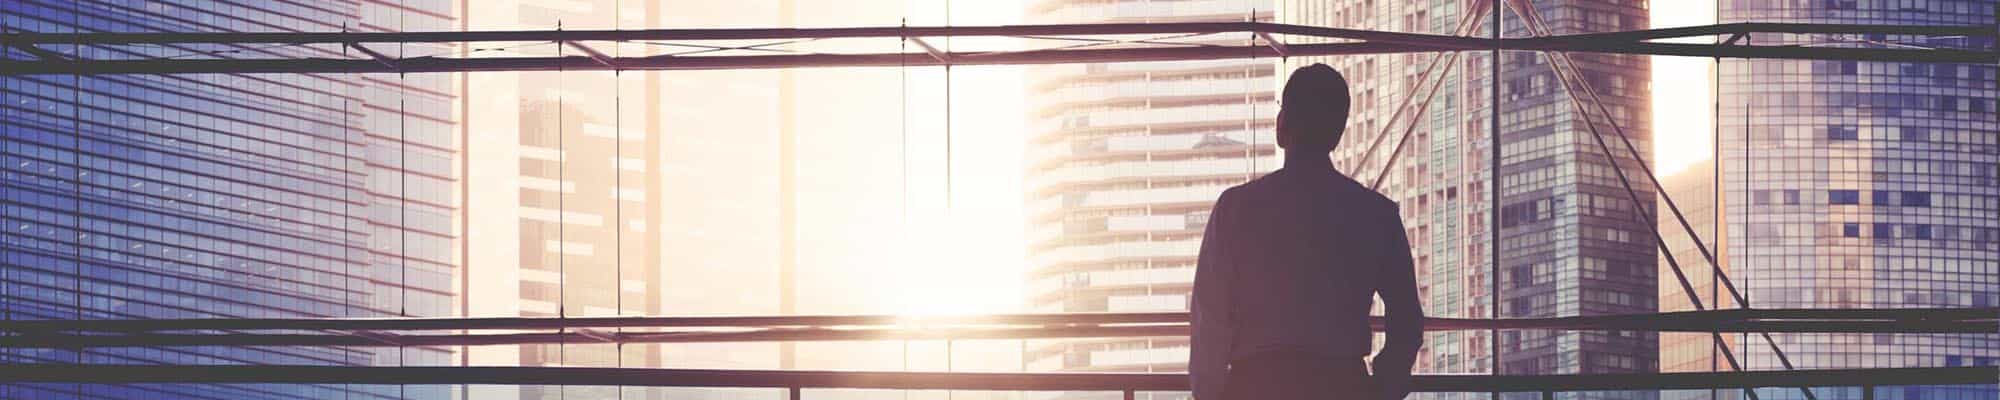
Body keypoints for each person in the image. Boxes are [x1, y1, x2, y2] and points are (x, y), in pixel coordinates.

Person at [1188, 63, 1424, 400]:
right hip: (1341, 383)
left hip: (1256, 383)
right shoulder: (1376, 214)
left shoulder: (1235, 209)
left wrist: (1211, 392)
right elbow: (1406, 319)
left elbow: (1209, 319)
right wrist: (1383, 384)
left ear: (1282, 126)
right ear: (1338, 132)